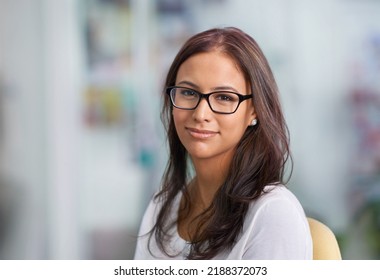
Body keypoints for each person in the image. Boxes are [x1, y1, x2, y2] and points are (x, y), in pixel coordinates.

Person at [134, 27, 312, 260]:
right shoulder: (162, 208)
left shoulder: (273, 214)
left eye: (225, 97)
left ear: (254, 111)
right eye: (188, 92)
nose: (200, 114)